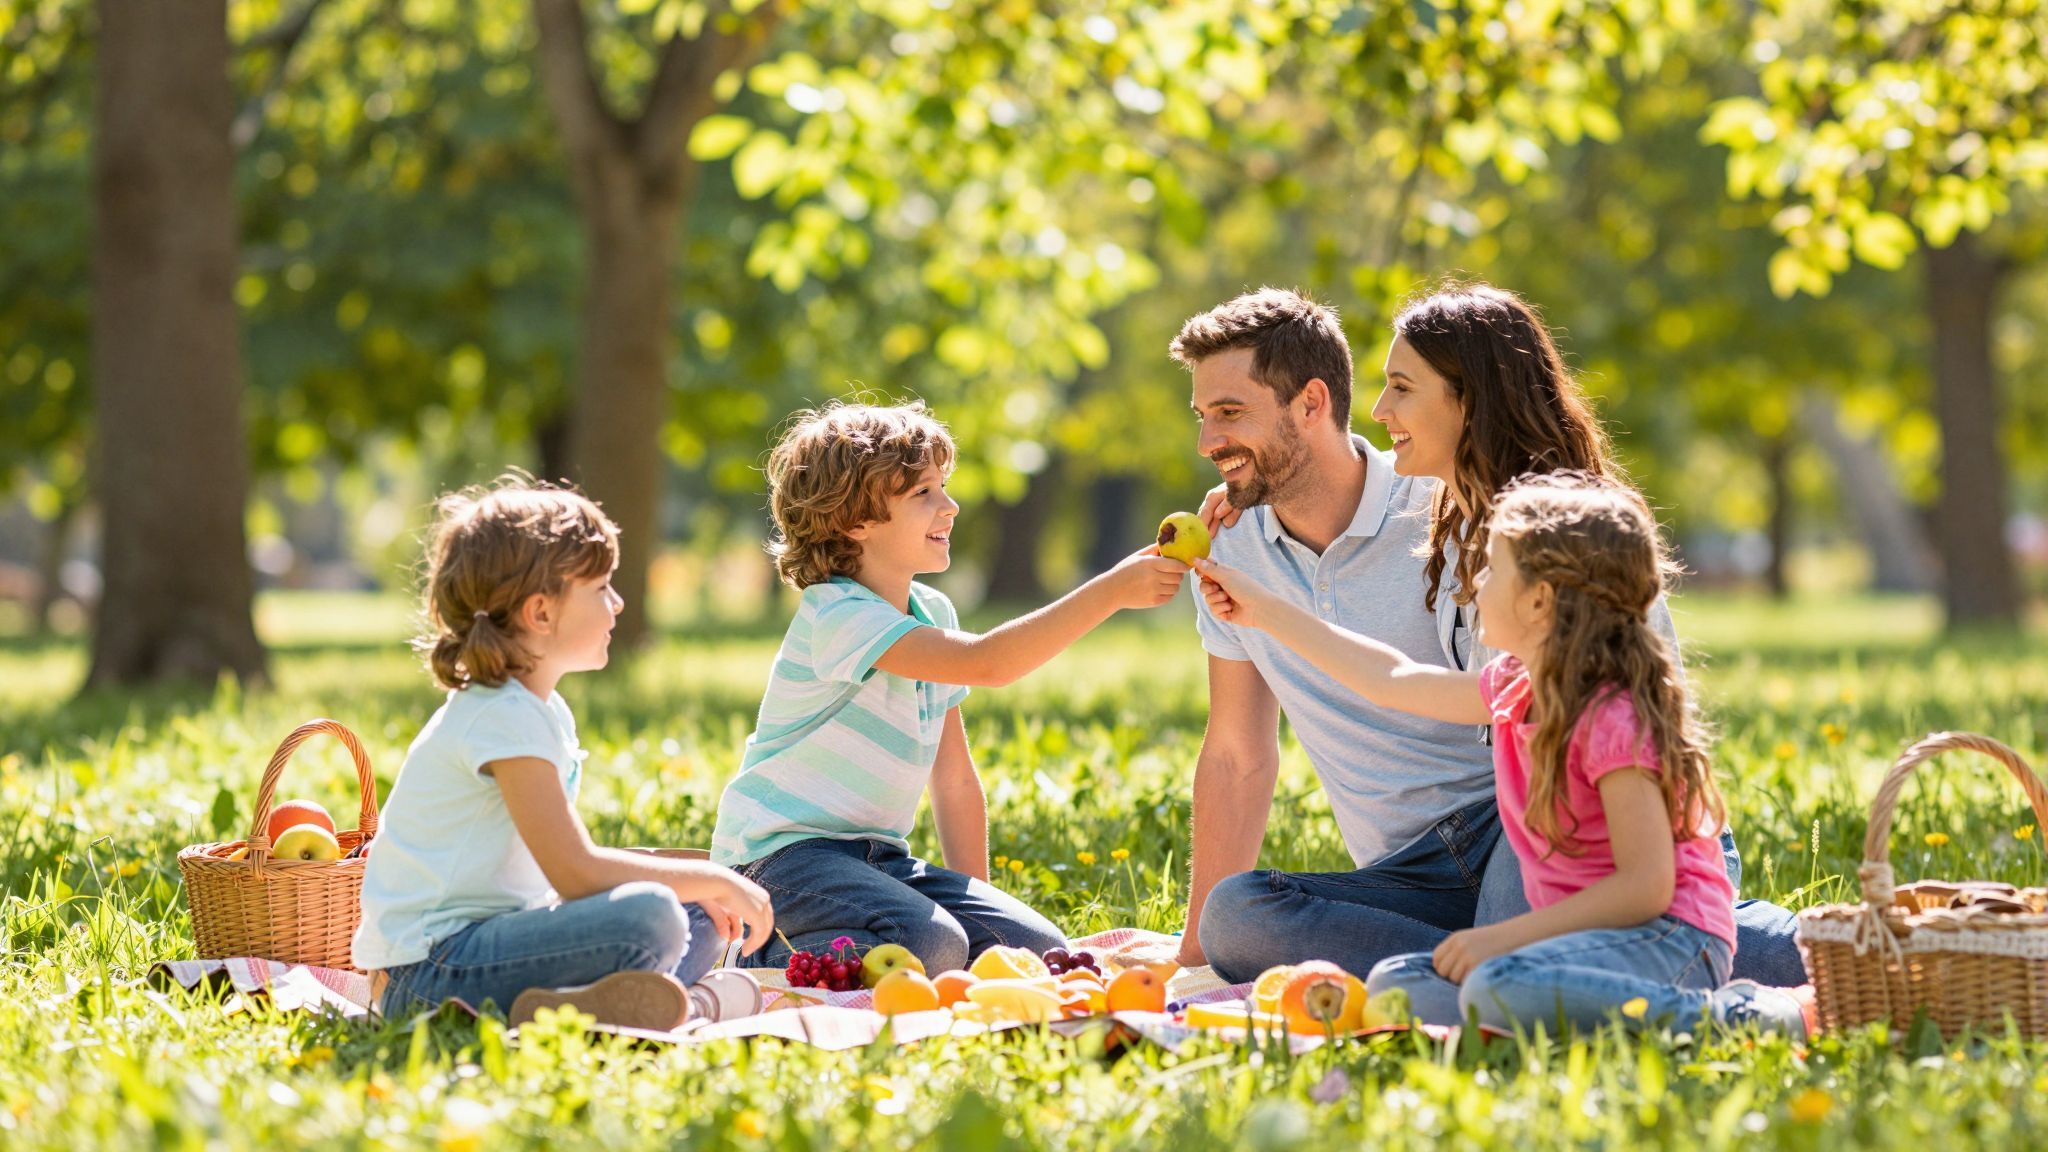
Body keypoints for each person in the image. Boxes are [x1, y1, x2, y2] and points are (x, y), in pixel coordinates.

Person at [1170, 285, 1806, 988]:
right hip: (1434, 867)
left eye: (1230, 413)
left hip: (1571, 828)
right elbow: (1359, 694)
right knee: (1238, 919)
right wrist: (1193, 959)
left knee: (1537, 923)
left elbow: (1631, 730)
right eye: (1204, 416)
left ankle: (1513, 966)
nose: (1380, 411)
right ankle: (1509, 965)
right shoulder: (1251, 543)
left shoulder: (1537, 527)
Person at [1196, 473, 1806, 1035]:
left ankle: (1742, 1018)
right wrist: (1264, 610)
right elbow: (1390, 677)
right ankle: (1542, 1013)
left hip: (1666, 942)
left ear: (1540, 601)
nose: (1475, 583)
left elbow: (1646, 889)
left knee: (1495, 984)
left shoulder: (1612, 718)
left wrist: (1505, 939)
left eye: (1492, 570)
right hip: (1571, 944)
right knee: (1398, 985)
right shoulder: (1516, 686)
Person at [712, 401, 1185, 973]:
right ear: (855, 521)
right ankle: (749, 949)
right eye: (923, 493)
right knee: (931, 944)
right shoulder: (836, 615)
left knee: (1033, 949)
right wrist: (1109, 591)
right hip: (779, 862)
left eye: (944, 486)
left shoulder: (932, 611)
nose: (950, 505)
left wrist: (983, 922)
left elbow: (955, 780)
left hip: (876, 860)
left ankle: (882, 950)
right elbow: (990, 663)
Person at [355, 478, 774, 1031]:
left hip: (494, 944)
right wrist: (714, 878)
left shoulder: (541, 710)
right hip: (429, 972)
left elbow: (561, 872)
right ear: (540, 613)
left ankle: (612, 1003)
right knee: (654, 914)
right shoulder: (501, 716)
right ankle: (684, 1004)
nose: (618, 602)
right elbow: (576, 872)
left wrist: (701, 883)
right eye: (601, 587)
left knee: (694, 907)